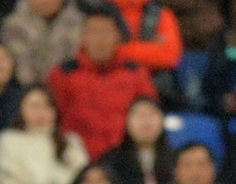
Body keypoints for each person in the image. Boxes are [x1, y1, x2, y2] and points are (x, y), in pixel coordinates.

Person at [47, 4, 158, 160]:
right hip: (78, 160)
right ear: (83, 37)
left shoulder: (135, 73)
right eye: (93, 32)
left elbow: (149, 116)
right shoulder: (63, 75)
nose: (100, 40)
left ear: (118, 37)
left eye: (106, 32)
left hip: (127, 161)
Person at [0, 85, 89, 184]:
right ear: (21, 109)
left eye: (47, 107)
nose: (41, 113)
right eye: (34, 106)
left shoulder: (70, 142)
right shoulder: (8, 140)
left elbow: (86, 178)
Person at [0, 0, 84, 88]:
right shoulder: (13, 26)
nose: (44, 1)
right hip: (25, 90)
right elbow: (21, 68)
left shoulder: (79, 23)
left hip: (69, 88)